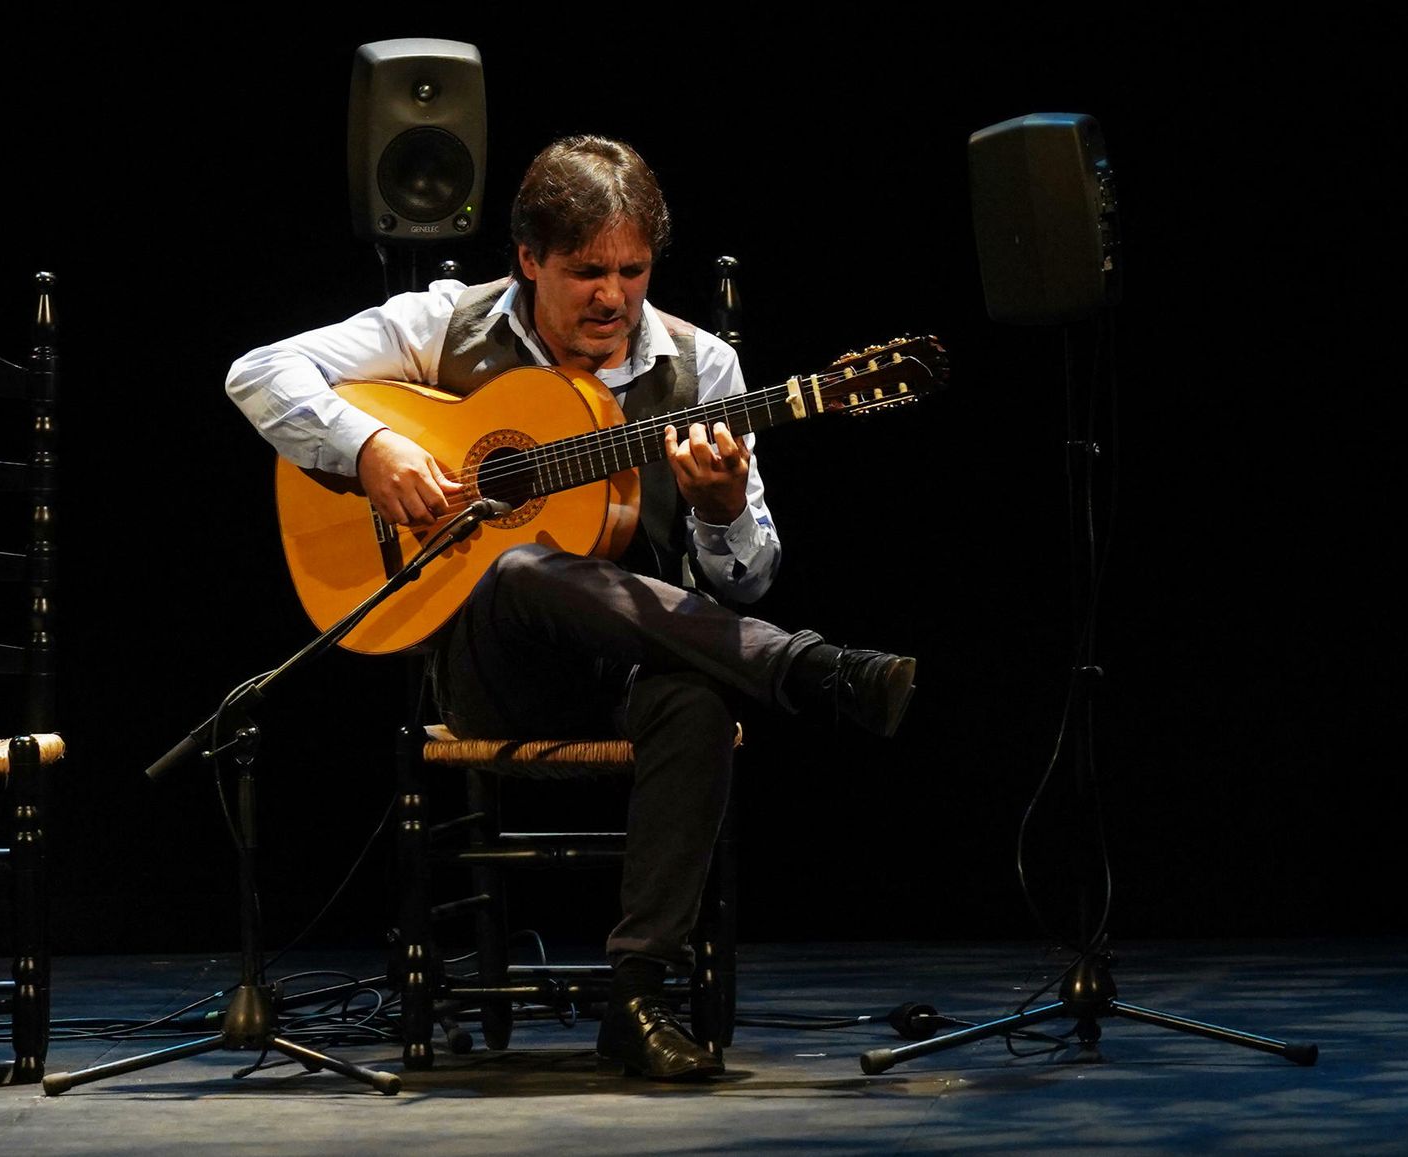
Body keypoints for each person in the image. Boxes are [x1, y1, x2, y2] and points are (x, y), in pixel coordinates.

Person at [227, 135, 916, 1080]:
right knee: (517, 566)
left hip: (639, 666)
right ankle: (803, 667)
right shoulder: (444, 324)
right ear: (529, 260)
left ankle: (637, 997)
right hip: (493, 673)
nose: (614, 297)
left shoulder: (704, 367)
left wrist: (720, 515)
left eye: (632, 271)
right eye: (587, 271)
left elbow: (746, 576)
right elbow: (258, 371)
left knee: (698, 702)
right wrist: (369, 450)